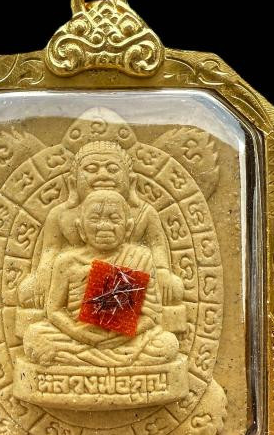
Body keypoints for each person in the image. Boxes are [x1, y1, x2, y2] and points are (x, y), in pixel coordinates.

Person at [19, 136, 182, 308]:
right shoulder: (61, 214)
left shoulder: (144, 212)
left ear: (131, 181)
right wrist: (44, 271)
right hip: (77, 277)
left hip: (126, 279)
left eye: (112, 169)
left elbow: (156, 244)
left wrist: (162, 270)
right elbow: (50, 249)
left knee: (175, 289)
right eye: (91, 169)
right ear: (73, 182)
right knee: (26, 292)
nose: (103, 175)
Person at [23, 190, 179, 368]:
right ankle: (104, 360)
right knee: (36, 336)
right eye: (95, 219)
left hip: (127, 340)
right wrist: (79, 333)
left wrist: (123, 335)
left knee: (166, 344)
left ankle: (82, 360)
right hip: (76, 335)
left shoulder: (140, 257)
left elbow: (152, 315)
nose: (105, 225)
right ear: (81, 229)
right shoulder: (66, 262)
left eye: (114, 219)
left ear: (128, 228)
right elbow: (54, 311)